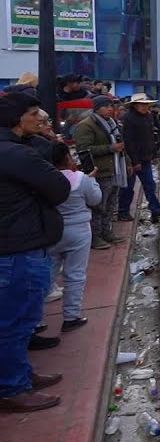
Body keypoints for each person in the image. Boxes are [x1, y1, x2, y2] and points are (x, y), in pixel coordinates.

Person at [0, 92, 72, 413]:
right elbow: (60, 187)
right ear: (18, 120)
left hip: (18, 244)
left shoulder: (16, 150)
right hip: (19, 249)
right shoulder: (15, 153)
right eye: (32, 113)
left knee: (19, 320)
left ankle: (21, 374)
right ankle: (12, 387)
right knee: (16, 322)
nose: (38, 118)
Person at [48, 143, 100, 333]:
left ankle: (36, 321)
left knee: (47, 275)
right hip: (78, 230)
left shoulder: (43, 179)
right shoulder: (80, 178)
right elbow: (95, 199)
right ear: (66, 158)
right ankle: (71, 317)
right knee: (75, 275)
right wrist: (92, 180)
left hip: (52, 231)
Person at [73, 95, 127, 248]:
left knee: (111, 204)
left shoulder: (113, 123)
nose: (110, 109)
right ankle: (95, 237)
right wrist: (110, 148)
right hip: (100, 171)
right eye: (106, 106)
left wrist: (127, 162)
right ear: (97, 108)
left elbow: (121, 144)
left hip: (116, 168)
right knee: (98, 206)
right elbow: (83, 149)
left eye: (111, 106)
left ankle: (107, 232)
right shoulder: (87, 125)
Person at [118, 93, 160, 222]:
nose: (145, 106)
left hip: (146, 157)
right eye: (142, 104)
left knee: (150, 185)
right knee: (128, 188)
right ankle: (123, 211)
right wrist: (134, 161)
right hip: (132, 160)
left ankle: (155, 210)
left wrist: (154, 153)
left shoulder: (148, 116)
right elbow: (129, 142)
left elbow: (151, 137)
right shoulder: (129, 119)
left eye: (146, 104)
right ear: (135, 105)